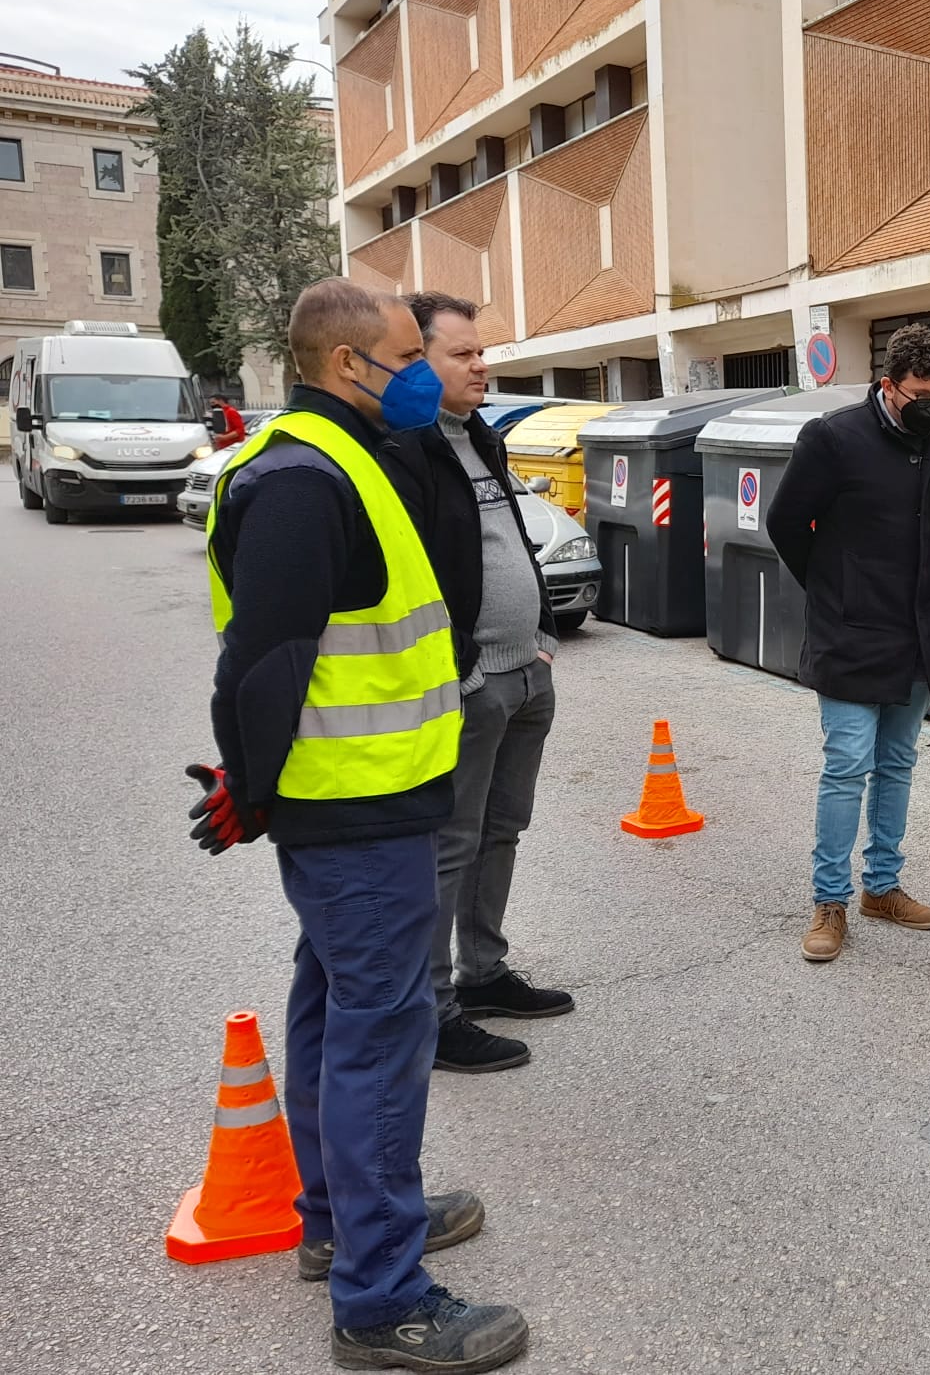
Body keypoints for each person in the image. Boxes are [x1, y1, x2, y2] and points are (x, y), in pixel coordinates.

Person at [192, 277, 528, 1372]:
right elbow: (265, 660)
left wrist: (258, 787)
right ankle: (381, 1300)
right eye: (406, 356)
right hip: (356, 809)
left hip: (366, 801)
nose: (426, 373)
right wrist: (254, 786)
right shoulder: (303, 476)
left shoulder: (342, 458)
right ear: (349, 365)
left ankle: (338, 1220)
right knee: (381, 1041)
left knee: (336, 1007)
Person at [392, 291, 569, 1075]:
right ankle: (432, 1015)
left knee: (503, 830)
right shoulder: (406, 450)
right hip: (468, 684)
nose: (481, 365)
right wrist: (459, 666)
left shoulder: (480, 438)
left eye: (481, 351)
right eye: (462, 354)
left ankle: (483, 972)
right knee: (449, 848)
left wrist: (539, 635)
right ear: (418, 360)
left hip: (525, 670)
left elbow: (508, 540)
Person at [768, 324, 930, 963]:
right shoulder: (832, 438)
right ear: (889, 386)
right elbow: (786, 523)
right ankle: (830, 900)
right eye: (924, 394)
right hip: (850, 630)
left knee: (898, 762)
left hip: (917, 630)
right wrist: (836, 588)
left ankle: (882, 887)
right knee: (847, 763)